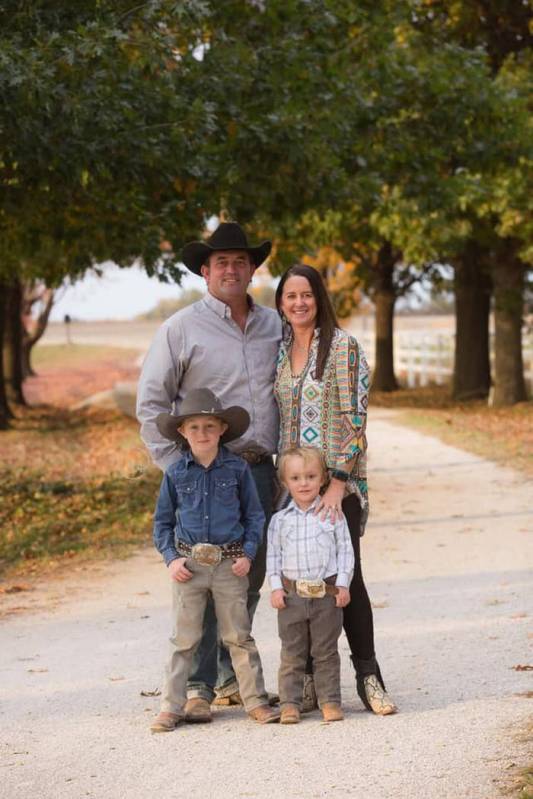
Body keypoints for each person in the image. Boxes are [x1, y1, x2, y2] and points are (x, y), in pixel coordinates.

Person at [137, 222, 281, 722]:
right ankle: (197, 686)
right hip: (200, 471)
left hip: (259, 470)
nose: (232, 269)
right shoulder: (181, 328)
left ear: (252, 269)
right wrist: (177, 467)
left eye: (241, 261)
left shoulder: (274, 325)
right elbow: (152, 399)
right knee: (199, 570)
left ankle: (229, 676)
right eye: (221, 262)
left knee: (246, 575)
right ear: (205, 271)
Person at [274, 263, 397, 716]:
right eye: (290, 296)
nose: (299, 303)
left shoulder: (343, 348)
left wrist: (338, 483)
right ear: (281, 303)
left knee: (347, 580)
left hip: (334, 490)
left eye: (306, 294)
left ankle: (370, 679)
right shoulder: (281, 352)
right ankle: (309, 680)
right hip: (293, 493)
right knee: (301, 584)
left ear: (319, 297)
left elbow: (356, 419)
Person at [150, 389, 280, 732]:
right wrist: (171, 560)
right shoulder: (176, 473)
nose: (203, 433)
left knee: (238, 635)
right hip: (189, 566)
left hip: (229, 564)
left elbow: (254, 516)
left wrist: (248, 554)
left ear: (222, 428)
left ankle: (255, 700)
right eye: (194, 427)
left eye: (210, 425)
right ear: (182, 431)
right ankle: (171, 706)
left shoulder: (237, 469)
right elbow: (162, 522)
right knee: (184, 638)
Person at [267, 446, 354, 724]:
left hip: (325, 595)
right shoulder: (280, 521)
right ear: (285, 482)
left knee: (325, 651)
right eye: (295, 478)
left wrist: (343, 585)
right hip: (292, 595)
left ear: (323, 479)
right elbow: (273, 556)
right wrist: (276, 588)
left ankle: (330, 701)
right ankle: (290, 703)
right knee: (292, 652)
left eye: (310, 476)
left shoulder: (333, 515)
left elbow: (345, 552)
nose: (303, 483)